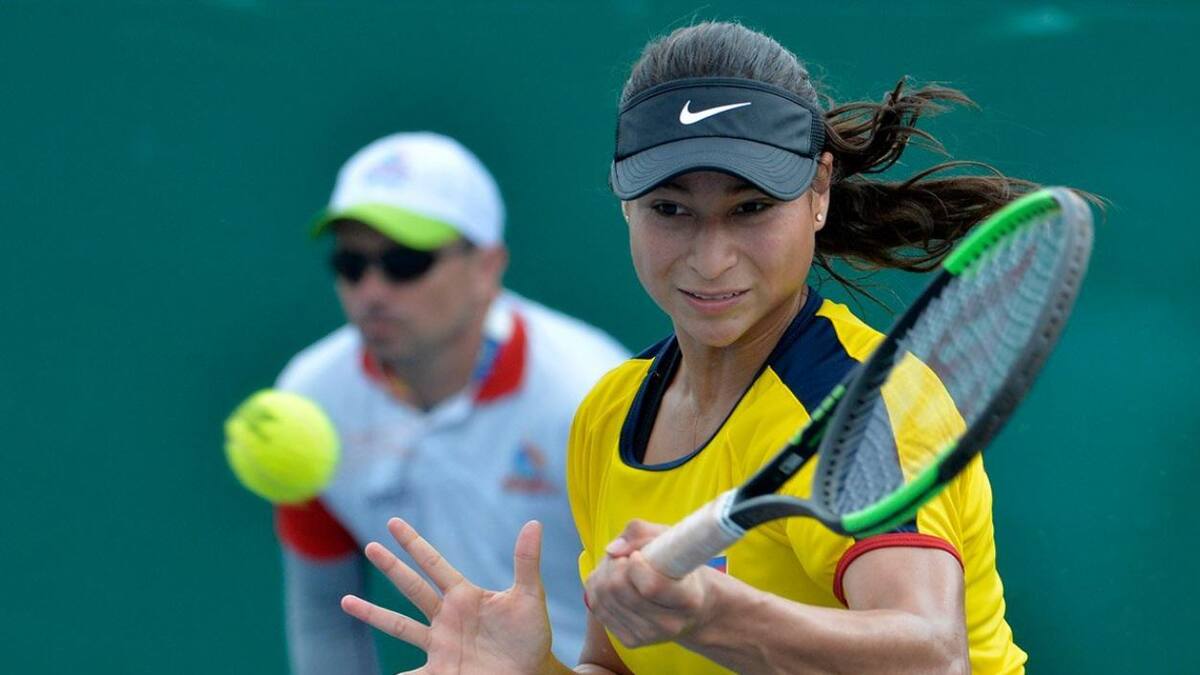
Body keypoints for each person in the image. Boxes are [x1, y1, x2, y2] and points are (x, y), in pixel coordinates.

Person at [341, 22, 1035, 674]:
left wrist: (716, 615)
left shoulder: (859, 407)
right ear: (626, 205)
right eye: (670, 210)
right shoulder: (610, 412)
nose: (710, 259)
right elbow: (616, 664)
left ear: (818, 191)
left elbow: (934, 657)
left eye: (750, 208)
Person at [274, 131, 628, 673]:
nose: (372, 290)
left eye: (405, 262)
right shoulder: (310, 399)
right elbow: (325, 615)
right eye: (350, 264)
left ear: (487, 266)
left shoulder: (588, 395)